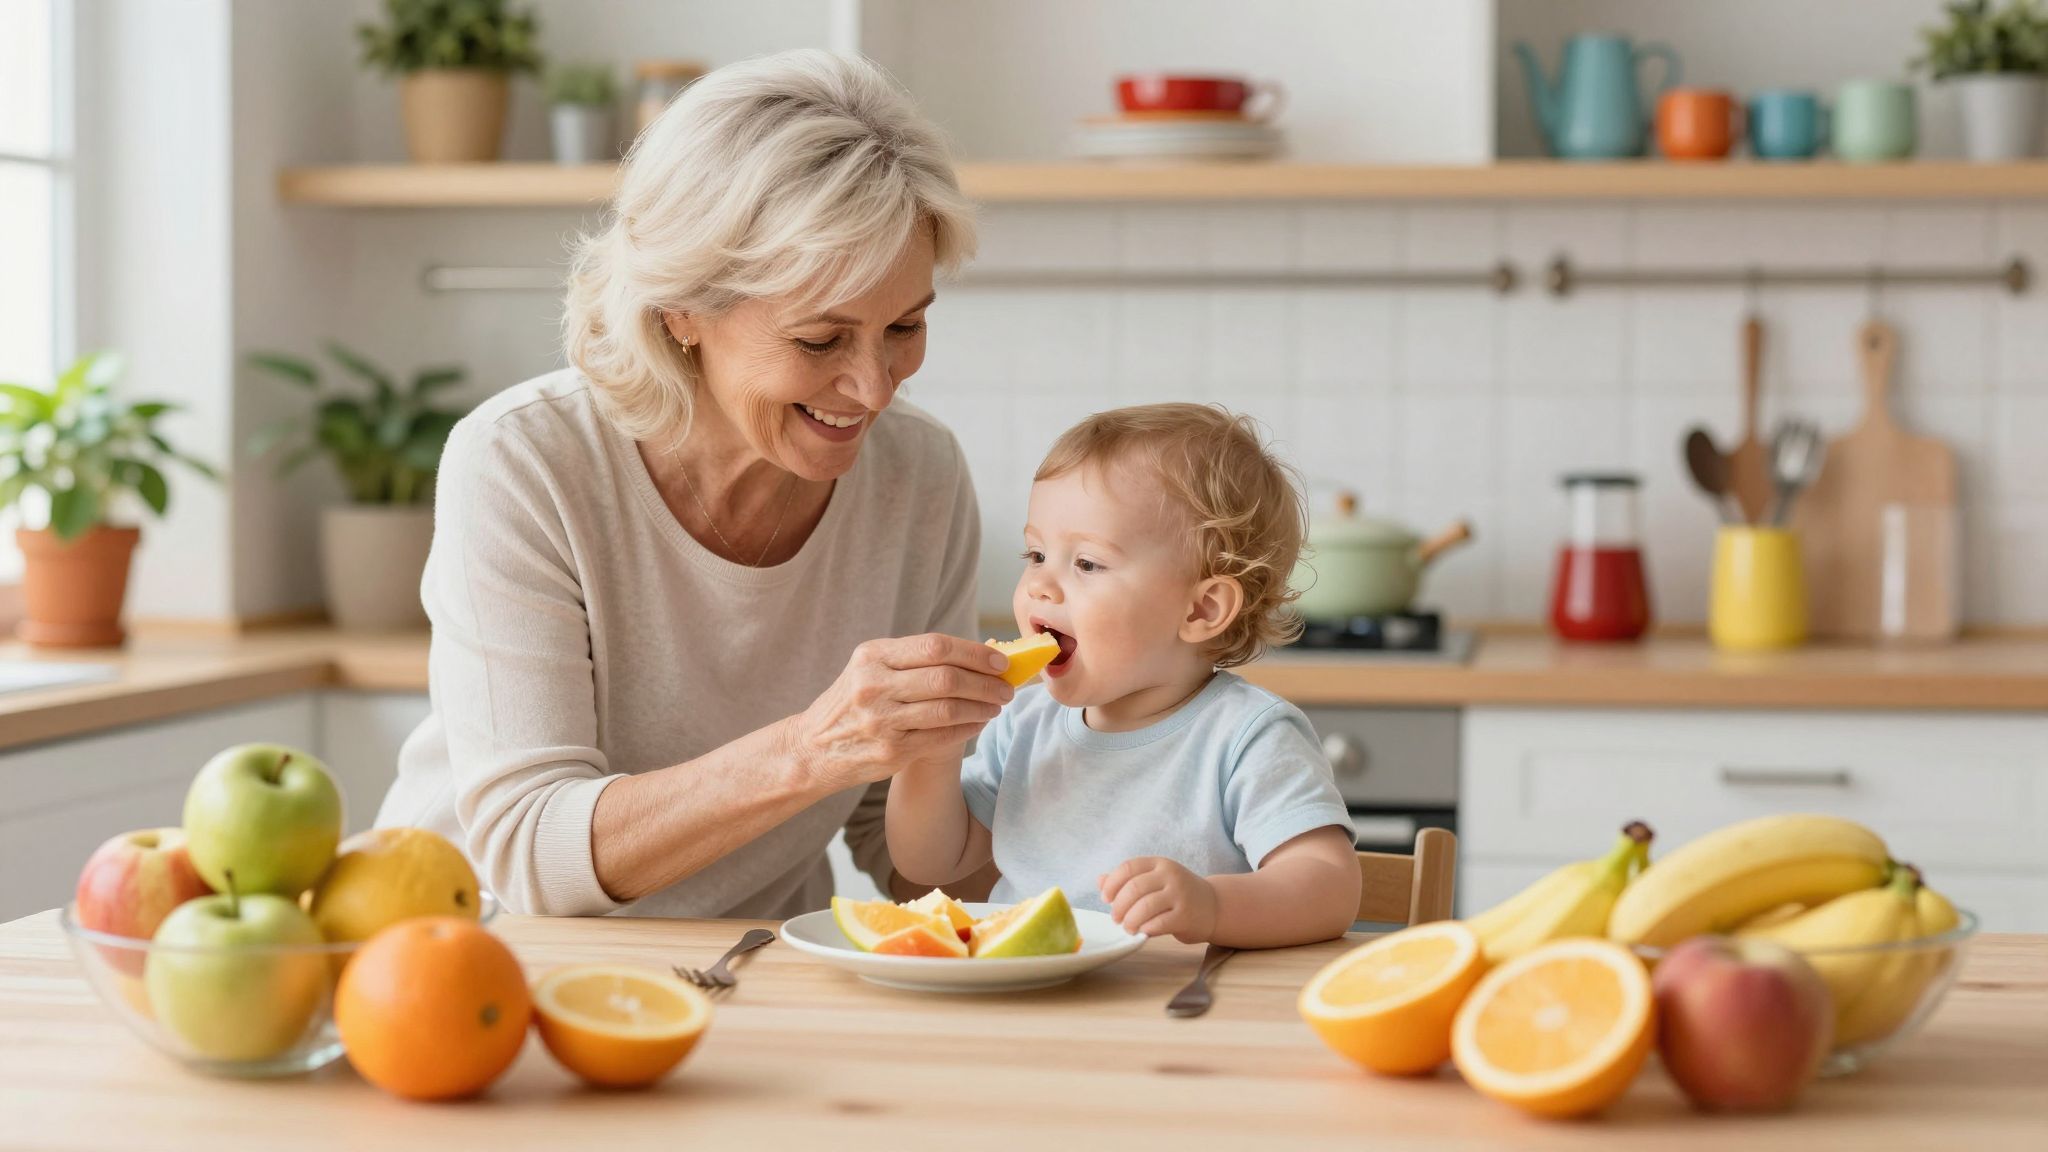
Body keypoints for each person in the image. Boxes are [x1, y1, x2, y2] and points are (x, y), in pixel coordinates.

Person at [375, 48, 1015, 918]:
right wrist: (813, 749)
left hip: (751, 964)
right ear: (681, 309)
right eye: (820, 341)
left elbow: (897, 843)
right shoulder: (526, 462)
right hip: (483, 962)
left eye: (904, 325)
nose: (874, 387)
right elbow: (530, 850)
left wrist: (1119, 797)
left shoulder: (920, 476)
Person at [886, 404, 1362, 947]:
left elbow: (1329, 888)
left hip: (1173, 1005)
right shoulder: (1023, 725)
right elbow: (930, 861)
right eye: (1036, 553)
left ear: (1201, 611)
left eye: (1086, 564)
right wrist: (932, 757)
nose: (1041, 585)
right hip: (1026, 997)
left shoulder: (1246, 736)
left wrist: (1211, 906)